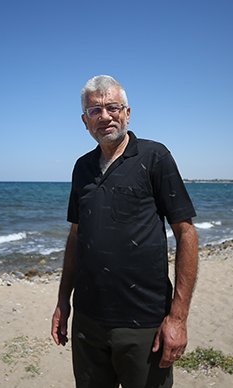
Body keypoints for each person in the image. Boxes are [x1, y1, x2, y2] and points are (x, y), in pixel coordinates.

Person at [52, 75, 199, 388]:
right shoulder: (82, 167)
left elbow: (186, 233)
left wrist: (178, 317)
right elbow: (76, 237)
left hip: (144, 323)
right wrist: (63, 301)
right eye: (95, 110)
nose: (105, 116)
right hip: (88, 322)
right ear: (85, 121)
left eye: (113, 107)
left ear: (127, 113)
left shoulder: (155, 157)